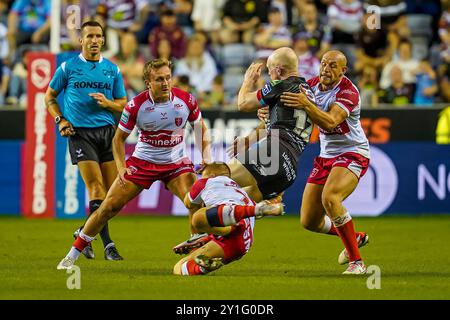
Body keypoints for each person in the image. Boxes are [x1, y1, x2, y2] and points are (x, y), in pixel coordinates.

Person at [56, 57, 211, 270]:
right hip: (143, 163)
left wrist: (206, 158)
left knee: (194, 198)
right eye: (159, 79)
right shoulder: (136, 105)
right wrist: (121, 167)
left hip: (175, 164)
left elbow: (201, 129)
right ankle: (71, 255)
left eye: (168, 78)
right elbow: (118, 139)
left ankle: (196, 250)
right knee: (108, 207)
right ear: (148, 82)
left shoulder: (186, 101)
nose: (165, 83)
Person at [279, 50, 370, 274]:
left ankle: (357, 262)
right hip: (326, 156)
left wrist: (306, 105)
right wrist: (267, 112)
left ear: (343, 71)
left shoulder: (348, 92)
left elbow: (330, 122)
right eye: (323, 64)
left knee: (330, 198)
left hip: (352, 152)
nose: (325, 69)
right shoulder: (309, 86)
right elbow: (283, 104)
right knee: (309, 221)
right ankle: (354, 236)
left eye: (332, 66)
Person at [45, 21, 127, 261]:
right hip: (80, 134)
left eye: (98, 36)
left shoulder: (112, 70)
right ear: (81, 40)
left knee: (115, 197)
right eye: (89, 36)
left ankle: (83, 231)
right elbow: (49, 95)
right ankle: (109, 245)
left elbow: (123, 103)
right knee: (96, 189)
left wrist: (108, 103)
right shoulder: (68, 67)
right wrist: (60, 119)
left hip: (108, 134)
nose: (94, 40)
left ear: (103, 40)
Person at [173, 162, 284, 276]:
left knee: (197, 219)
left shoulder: (206, 182)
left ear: (211, 175)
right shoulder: (241, 192)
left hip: (233, 228)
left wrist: (191, 182)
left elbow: (188, 203)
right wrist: (200, 242)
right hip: (243, 242)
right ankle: (204, 268)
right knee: (180, 267)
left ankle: (258, 210)